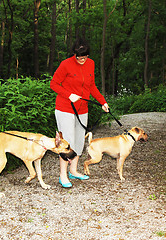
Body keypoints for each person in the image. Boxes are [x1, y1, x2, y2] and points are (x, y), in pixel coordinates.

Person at [50, 38, 109, 188]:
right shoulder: (66, 64)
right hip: (65, 108)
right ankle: (63, 175)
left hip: (82, 109)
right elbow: (54, 84)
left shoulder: (91, 64)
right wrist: (69, 95)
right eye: (79, 57)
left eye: (85, 57)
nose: (82, 60)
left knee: (78, 141)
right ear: (74, 54)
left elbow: (91, 86)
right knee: (66, 143)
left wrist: (102, 101)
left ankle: (73, 171)